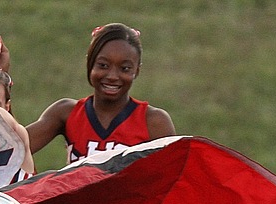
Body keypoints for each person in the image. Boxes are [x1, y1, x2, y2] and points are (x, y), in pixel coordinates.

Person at [26, 23, 175, 163]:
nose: (112, 76)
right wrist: (3, 77)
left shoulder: (154, 121)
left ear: (137, 70)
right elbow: (12, 149)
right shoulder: (66, 112)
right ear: (90, 64)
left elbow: (176, 178)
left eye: (125, 68)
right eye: (103, 65)